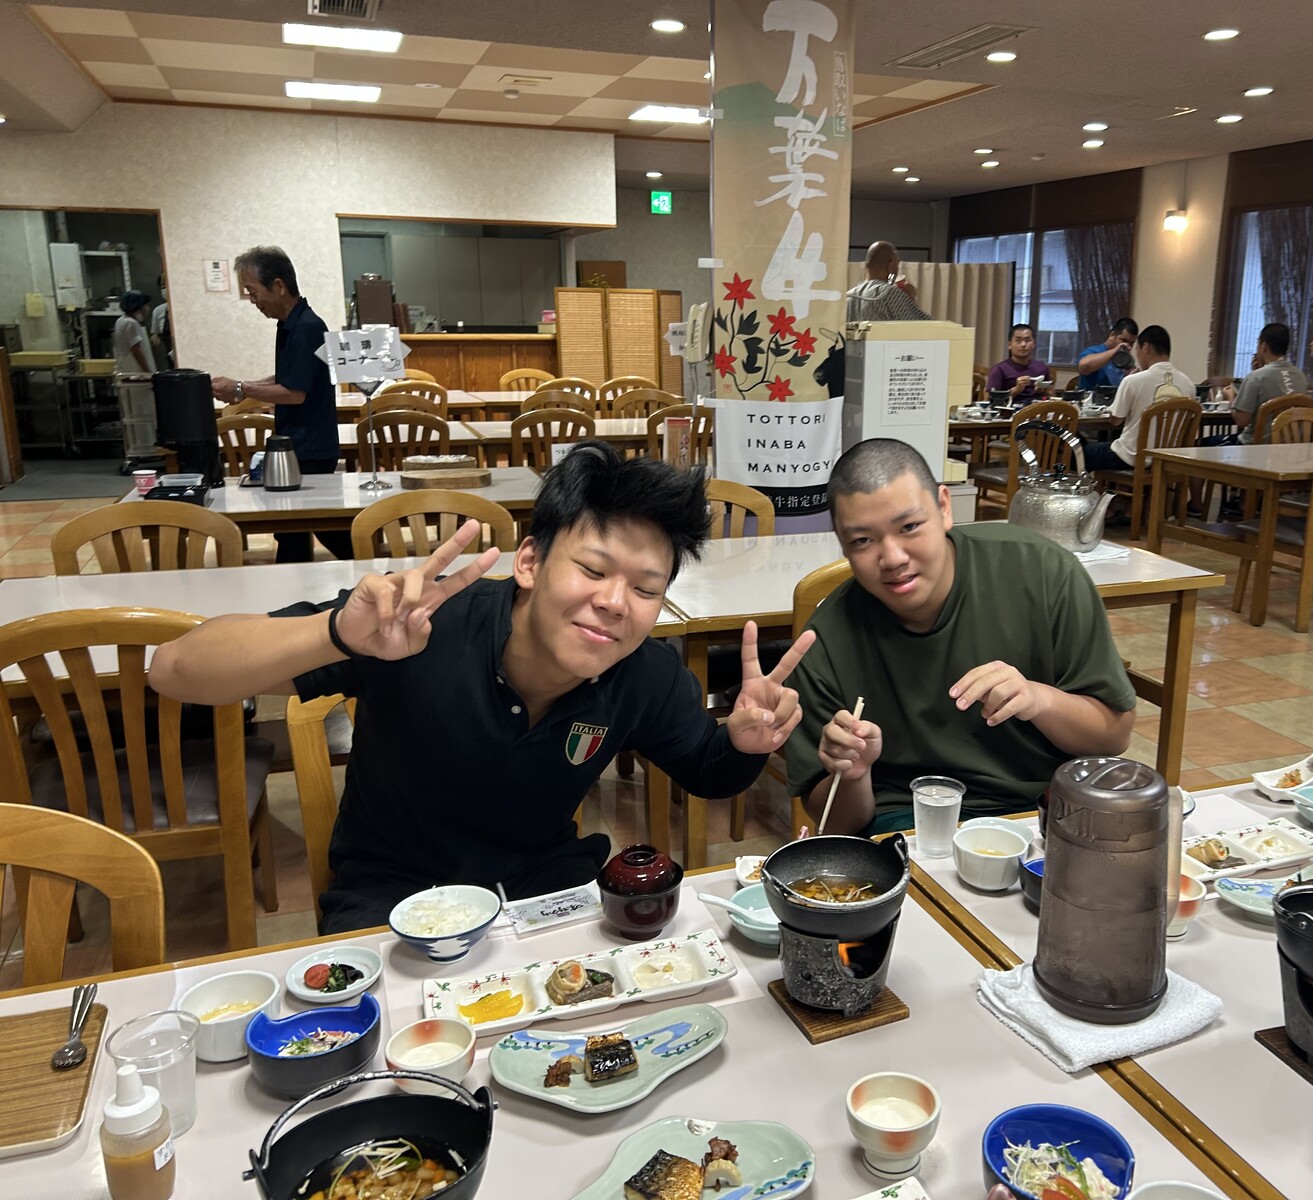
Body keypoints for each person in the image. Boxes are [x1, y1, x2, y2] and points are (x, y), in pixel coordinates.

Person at [149, 442, 815, 933]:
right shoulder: (421, 625)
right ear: (529, 561)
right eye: (592, 569)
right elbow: (173, 668)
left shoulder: (642, 672)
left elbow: (707, 769)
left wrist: (744, 741)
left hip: (547, 896)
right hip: (394, 897)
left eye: (645, 588)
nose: (615, 602)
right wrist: (336, 633)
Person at [786, 439, 1135, 836]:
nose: (893, 558)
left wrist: (1037, 699)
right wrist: (853, 774)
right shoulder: (827, 638)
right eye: (862, 540)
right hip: (906, 823)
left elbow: (1114, 736)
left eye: (910, 527)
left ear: (944, 507)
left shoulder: (1042, 571)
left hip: (1041, 812)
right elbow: (835, 824)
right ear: (841, 542)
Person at [208, 245, 351, 563]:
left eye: (253, 291)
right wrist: (243, 386)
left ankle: (376, 568)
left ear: (278, 286)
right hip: (298, 442)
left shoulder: (307, 327)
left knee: (310, 528)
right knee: (296, 530)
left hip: (310, 446)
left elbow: (295, 393)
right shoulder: (291, 323)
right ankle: (369, 568)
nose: (252, 300)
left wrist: (241, 388)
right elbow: (290, 377)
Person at [1079, 324, 1196, 472]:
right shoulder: (1188, 384)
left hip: (1131, 457)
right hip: (1168, 459)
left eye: (1137, 349)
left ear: (1145, 347)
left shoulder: (1133, 381)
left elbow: (1115, 421)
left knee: (1076, 454)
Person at [1218, 322, 1311, 446]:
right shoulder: (1300, 376)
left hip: (1256, 448)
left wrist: (1231, 397)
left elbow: (1241, 421)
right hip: (1290, 448)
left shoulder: (1256, 377)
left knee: (1203, 443)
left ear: (1263, 346)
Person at [844, 241, 931, 322]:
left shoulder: (849, 296)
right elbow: (925, 327)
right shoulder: (890, 293)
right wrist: (911, 299)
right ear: (891, 264)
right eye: (897, 264)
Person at [985, 324, 1054, 402]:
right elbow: (989, 399)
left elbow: (1052, 395)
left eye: (1027, 340)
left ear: (1033, 344)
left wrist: (1042, 391)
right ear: (1009, 345)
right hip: (1010, 408)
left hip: (1038, 407)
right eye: (1018, 341)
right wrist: (1017, 389)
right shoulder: (999, 369)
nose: (1023, 345)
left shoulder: (1041, 367)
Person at [1074, 317, 1139, 393]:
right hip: (1091, 398)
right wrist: (1115, 350)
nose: (1129, 347)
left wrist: (1130, 378)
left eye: (1131, 343)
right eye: (1124, 341)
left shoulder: (1125, 359)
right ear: (1112, 335)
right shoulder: (1094, 351)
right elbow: (1083, 366)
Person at [112, 291, 155, 376]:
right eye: (145, 306)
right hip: (137, 373)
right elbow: (136, 351)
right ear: (137, 307)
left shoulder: (121, 320)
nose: (147, 309)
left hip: (128, 371)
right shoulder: (130, 323)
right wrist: (148, 372)